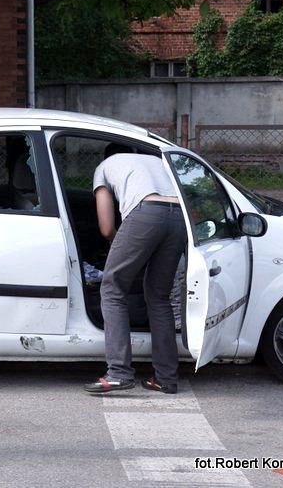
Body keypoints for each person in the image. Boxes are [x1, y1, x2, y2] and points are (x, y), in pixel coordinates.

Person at [84, 145, 187, 395]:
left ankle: (118, 372)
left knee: (112, 289)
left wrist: (120, 245)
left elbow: (106, 227)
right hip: (179, 218)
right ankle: (165, 378)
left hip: (145, 213)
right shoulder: (154, 162)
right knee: (159, 296)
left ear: (106, 155)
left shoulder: (104, 168)